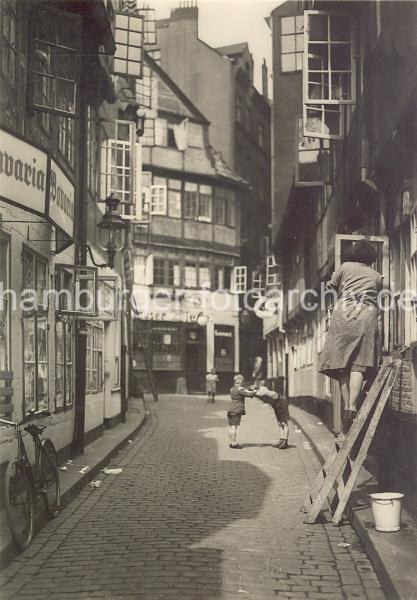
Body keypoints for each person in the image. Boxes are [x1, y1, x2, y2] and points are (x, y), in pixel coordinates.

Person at [318, 240, 382, 438]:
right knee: (359, 365)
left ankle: (347, 405)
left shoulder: (345, 267)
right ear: (371, 257)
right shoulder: (376, 275)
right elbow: (377, 292)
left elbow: (331, 285)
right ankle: (352, 406)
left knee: (341, 365)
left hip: (344, 314)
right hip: (367, 315)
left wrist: (335, 284)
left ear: (354, 252)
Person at [255, 380, 289, 449]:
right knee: (280, 423)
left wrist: (253, 392)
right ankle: (281, 440)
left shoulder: (262, 390)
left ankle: (285, 442)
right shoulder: (260, 391)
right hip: (276, 405)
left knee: (284, 423)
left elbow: (261, 393)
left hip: (281, 403)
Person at [227, 374, 256, 449]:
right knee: (234, 427)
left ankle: (231, 441)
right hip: (236, 410)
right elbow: (249, 394)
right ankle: (234, 443)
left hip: (230, 409)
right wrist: (254, 391)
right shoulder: (240, 390)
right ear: (242, 382)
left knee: (231, 426)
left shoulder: (232, 389)